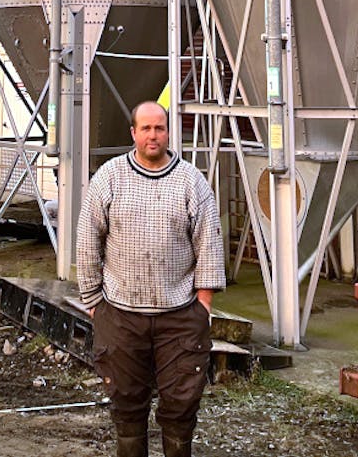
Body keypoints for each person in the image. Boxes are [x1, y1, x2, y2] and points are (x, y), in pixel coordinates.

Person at [77, 100, 225, 457]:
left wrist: (203, 305)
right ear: (134, 133)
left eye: (159, 128)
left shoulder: (191, 181)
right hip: (121, 316)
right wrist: (94, 303)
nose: (153, 135)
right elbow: (86, 240)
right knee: (127, 408)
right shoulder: (109, 178)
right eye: (146, 128)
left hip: (180, 317)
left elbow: (209, 242)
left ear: (168, 132)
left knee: (181, 407)